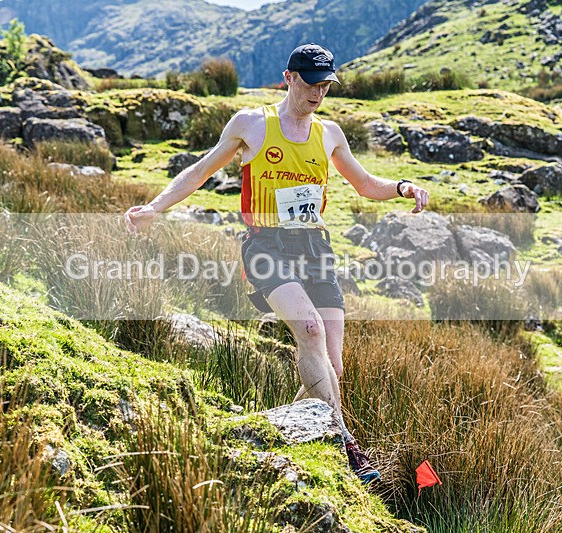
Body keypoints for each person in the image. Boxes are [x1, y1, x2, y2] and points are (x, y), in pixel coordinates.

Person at [124, 43, 429, 483]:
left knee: (333, 367)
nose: (318, 93)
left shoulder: (329, 134)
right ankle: (348, 447)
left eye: (326, 86)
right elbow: (200, 171)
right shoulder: (252, 124)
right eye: (311, 83)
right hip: (266, 245)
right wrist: (155, 207)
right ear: (289, 78)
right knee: (310, 330)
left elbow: (364, 184)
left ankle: (276, 431)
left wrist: (402, 187)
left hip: (315, 248)